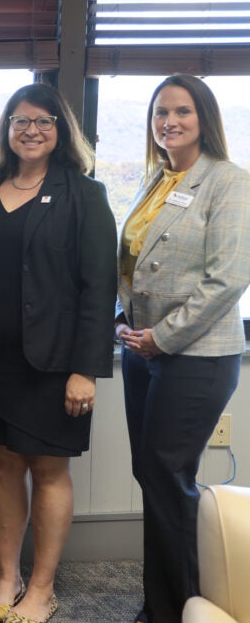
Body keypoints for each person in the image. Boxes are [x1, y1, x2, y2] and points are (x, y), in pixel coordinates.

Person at [0, 84, 117, 623]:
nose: (32, 130)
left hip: (54, 364)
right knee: (3, 466)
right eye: (21, 121)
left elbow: (99, 286)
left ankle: (42, 587)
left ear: (61, 130)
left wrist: (85, 369)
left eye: (44, 121)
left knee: (48, 470)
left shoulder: (83, 194)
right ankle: (7, 575)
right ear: (7, 128)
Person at [116, 75, 250, 623]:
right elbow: (134, 262)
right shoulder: (159, 180)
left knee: (168, 473)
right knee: (153, 474)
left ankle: (178, 607)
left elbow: (227, 280)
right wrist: (124, 320)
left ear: (205, 119)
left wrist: (162, 337)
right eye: (159, 113)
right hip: (141, 352)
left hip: (196, 357)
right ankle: (168, 600)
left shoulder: (229, 182)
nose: (168, 121)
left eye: (182, 111)